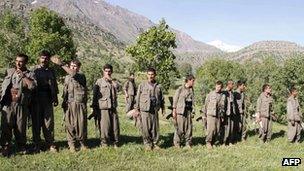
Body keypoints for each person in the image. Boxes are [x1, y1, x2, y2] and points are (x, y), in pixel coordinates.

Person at [0, 54, 36, 156]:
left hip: (21, 104)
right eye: (17, 61)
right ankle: (5, 146)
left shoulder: (30, 74)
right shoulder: (10, 71)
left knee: (20, 126)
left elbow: (32, 86)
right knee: (6, 126)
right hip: (8, 103)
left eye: (21, 61)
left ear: (25, 62)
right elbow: (3, 85)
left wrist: (24, 76)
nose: (18, 63)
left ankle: (21, 146)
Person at [51, 56, 88, 152]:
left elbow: (73, 73)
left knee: (81, 125)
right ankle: (71, 144)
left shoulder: (81, 76)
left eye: (75, 66)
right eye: (71, 66)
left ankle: (82, 143)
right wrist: (64, 103)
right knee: (69, 125)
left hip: (79, 104)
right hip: (69, 104)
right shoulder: (67, 78)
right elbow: (65, 91)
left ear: (79, 67)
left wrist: (61, 64)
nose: (73, 68)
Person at [31, 50, 59, 152]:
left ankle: (50, 143)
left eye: (46, 58)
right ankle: (36, 144)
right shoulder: (33, 70)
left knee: (49, 122)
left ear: (49, 59)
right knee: (37, 122)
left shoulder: (51, 71)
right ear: (39, 58)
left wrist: (55, 97)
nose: (44, 60)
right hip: (36, 99)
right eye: (42, 58)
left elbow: (54, 85)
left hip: (48, 98)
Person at [134, 68, 165, 151]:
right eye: (149, 74)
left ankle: (155, 144)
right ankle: (147, 144)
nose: (151, 76)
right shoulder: (142, 85)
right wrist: (136, 109)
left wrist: (163, 108)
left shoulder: (158, 86)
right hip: (145, 109)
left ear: (155, 75)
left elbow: (161, 98)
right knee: (145, 127)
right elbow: (138, 97)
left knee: (155, 128)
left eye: (152, 74)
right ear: (147, 75)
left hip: (154, 110)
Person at [92, 64, 120, 148]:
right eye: (106, 71)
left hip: (113, 107)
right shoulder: (99, 82)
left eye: (109, 71)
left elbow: (118, 88)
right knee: (104, 126)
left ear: (112, 72)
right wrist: (94, 108)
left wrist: (111, 81)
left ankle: (115, 142)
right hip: (103, 107)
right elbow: (95, 95)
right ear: (103, 71)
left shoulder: (113, 82)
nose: (108, 73)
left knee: (115, 126)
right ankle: (104, 143)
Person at [172, 75, 195, 148]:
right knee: (179, 128)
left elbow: (193, 101)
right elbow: (175, 100)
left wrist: (193, 111)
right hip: (181, 111)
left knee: (189, 128)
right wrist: (174, 110)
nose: (193, 82)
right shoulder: (180, 89)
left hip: (188, 111)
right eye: (193, 81)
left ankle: (188, 143)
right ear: (189, 80)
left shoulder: (191, 90)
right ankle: (177, 143)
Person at [203, 81, 225, 149]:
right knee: (211, 129)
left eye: (220, 87)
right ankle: (208, 142)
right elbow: (205, 105)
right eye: (218, 86)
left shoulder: (223, 95)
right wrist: (204, 115)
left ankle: (213, 142)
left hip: (218, 115)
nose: (219, 88)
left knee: (217, 130)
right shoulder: (210, 94)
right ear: (215, 86)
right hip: (211, 114)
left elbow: (223, 107)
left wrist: (222, 116)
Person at [221, 80, 236, 145]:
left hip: (232, 113)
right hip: (226, 114)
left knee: (231, 128)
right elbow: (222, 104)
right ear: (228, 84)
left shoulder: (232, 92)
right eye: (232, 84)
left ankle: (230, 141)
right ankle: (224, 142)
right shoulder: (224, 92)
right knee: (225, 128)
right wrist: (222, 114)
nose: (233, 85)